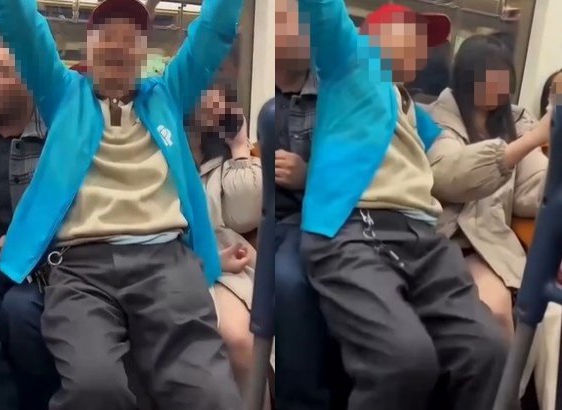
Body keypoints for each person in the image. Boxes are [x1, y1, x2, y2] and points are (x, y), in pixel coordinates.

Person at [0, 0, 244, 408]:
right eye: (107, 36)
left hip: (167, 263)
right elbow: (21, 25)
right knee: (94, 388)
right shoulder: (63, 94)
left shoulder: (169, 94)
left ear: (144, 53)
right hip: (80, 270)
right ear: (87, 50)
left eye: (130, 39)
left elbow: (215, 29)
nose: (117, 47)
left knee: (210, 393)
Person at [298, 3, 509, 410]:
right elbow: (322, 10)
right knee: (404, 360)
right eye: (414, 34)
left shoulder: (414, 110)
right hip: (356, 230)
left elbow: (452, 170)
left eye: (427, 42)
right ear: (374, 36)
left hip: (423, 239)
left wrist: (527, 143)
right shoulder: (349, 62)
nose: (424, 50)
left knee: (488, 350)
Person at [427, 34, 558, 410]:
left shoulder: (513, 119)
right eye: (488, 76)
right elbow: (450, 177)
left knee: (547, 316)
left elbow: (534, 187)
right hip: (450, 241)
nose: (497, 86)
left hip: (494, 242)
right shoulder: (437, 118)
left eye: (503, 77)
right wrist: (530, 140)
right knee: (498, 310)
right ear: (466, 77)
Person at [275, 0, 349, 408]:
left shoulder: (334, 93)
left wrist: (308, 176)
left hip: (318, 215)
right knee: (291, 282)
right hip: (266, 219)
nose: (300, 29)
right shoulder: (243, 87)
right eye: (287, 18)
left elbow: (352, 164)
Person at [0, 43, 59, 410]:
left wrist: (24, 238)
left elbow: (72, 206)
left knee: (23, 317)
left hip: (42, 269)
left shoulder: (55, 136)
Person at [189, 77, 262, 396]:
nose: (214, 103)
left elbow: (245, 214)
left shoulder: (226, 161)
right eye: (207, 93)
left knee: (238, 338)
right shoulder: (161, 149)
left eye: (221, 97)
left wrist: (239, 147)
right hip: (175, 262)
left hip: (226, 266)